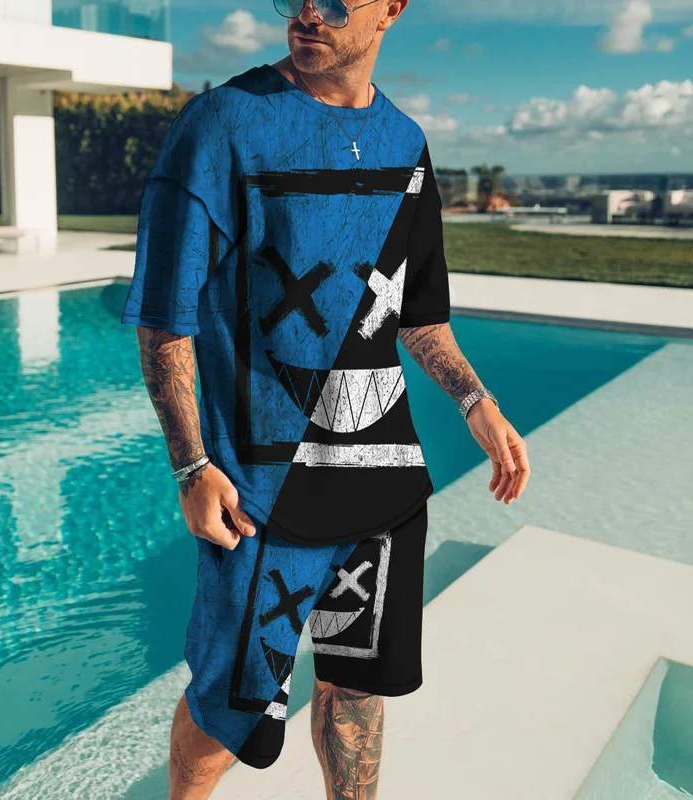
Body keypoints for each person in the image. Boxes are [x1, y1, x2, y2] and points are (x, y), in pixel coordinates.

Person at [121, 0, 531, 796]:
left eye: (337, 0)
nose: (309, 12)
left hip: (383, 485)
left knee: (356, 696)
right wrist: (192, 465)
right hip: (261, 496)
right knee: (227, 715)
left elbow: (416, 315)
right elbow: (165, 319)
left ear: (391, 10)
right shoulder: (222, 125)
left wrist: (475, 400)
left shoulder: (405, 143)